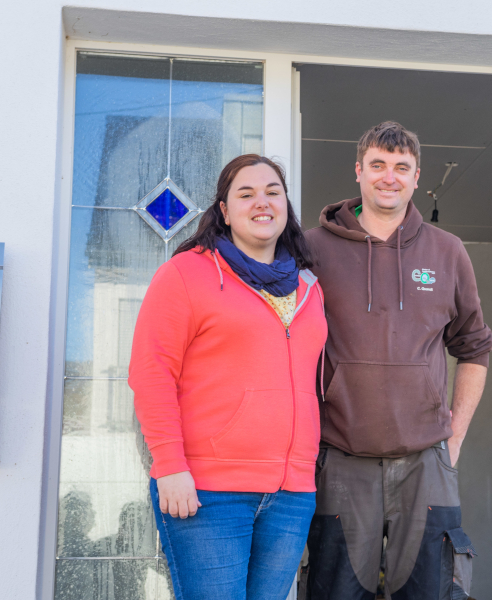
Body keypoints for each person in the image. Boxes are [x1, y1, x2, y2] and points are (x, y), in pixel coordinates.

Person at [303, 121, 492, 599]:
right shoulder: (312, 249)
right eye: (378, 166)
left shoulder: (447, 251)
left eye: (401, 168)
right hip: (340, 457)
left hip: (425, 461)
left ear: (416, 177)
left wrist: (456, 436)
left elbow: (474, 346)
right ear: (358, 172)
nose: (389, 177)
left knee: (433, 590)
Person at [128, 155, 328, 600]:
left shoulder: (308, 288)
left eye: (273, 192)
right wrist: (170, 466)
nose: (262, 202)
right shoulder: (186, 274)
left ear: (286, 206)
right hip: (208, 491)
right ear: (223, 210)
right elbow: (151, 373)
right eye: (246, 193)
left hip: (291, 495)